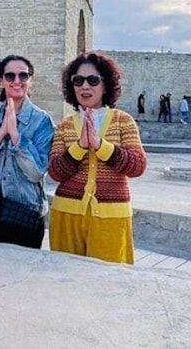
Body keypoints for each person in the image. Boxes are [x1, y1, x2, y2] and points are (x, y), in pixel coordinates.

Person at [48, 51, 147, 264]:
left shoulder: (123, 121)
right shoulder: (65, 125)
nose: (85, 86)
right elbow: (55, 171)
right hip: (67, 213)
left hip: (111, 217)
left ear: (106, 84)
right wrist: (80, 146)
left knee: (108, 282)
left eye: (93, 80)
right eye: (78, 80)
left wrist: (100, 145)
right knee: (65, 281)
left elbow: (137, 165)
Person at [0, 55, 55, 249]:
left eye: (23, 76)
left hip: (24, 215)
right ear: (1, 80)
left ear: (31, 80)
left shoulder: (42, 121)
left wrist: (15, 136)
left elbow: (36, 172)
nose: (17, 81)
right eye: (10, 76)